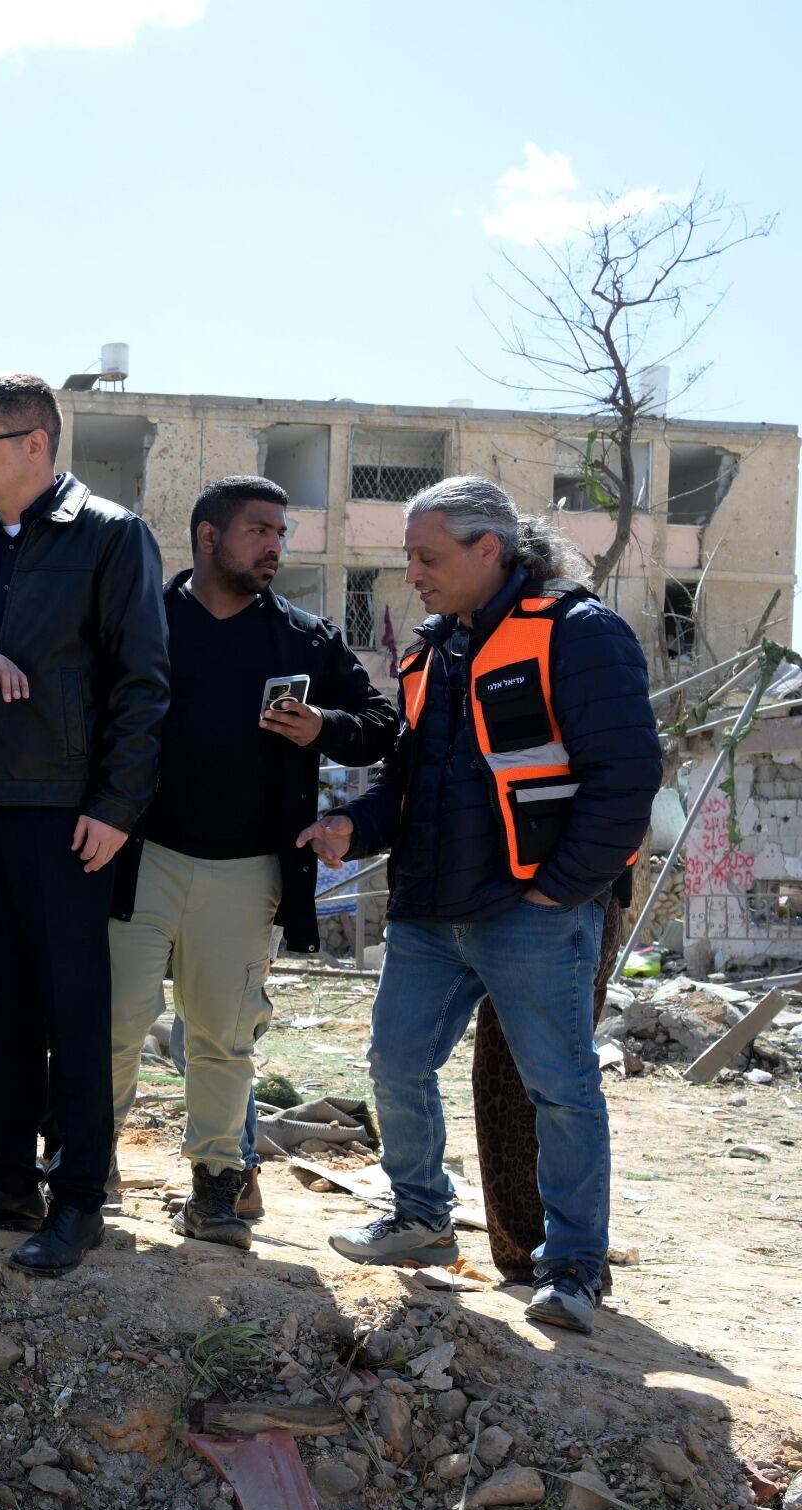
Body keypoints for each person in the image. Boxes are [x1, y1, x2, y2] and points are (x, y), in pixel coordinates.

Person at [304, 476, 659, 1334]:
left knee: (561, 1090)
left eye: (428, 557)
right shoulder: (432, 651)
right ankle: (421, 1216)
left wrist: (557, 889)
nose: (413, 575)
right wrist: (353, 825)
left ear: (487, 549)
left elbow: (626, 779)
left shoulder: (580, 632)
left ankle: (572, 1267)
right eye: (410, 558)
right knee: (396, 1063)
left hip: (532, 911)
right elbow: (411, 781)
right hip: (430, 909)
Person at [0, 373, 169, 1276]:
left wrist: (116, 806)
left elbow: (143, 684)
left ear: (35, 445)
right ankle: (8, 1178)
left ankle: (79, 1195)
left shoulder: (112, 535)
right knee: (4, 1008)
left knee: (74, 1011)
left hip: (68, 816)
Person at [108, 477, 397, 1249]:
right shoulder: (142, 622)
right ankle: (85, 1175)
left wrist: (321, 726)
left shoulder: (304, 638)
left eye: (281, 532)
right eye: (259, 531)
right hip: (138, 859)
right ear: (209, 537)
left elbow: (380, 724)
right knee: (113, 1019)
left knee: (222, 1037)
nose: (276, 546)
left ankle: (216, 1191)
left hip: (245, 871)